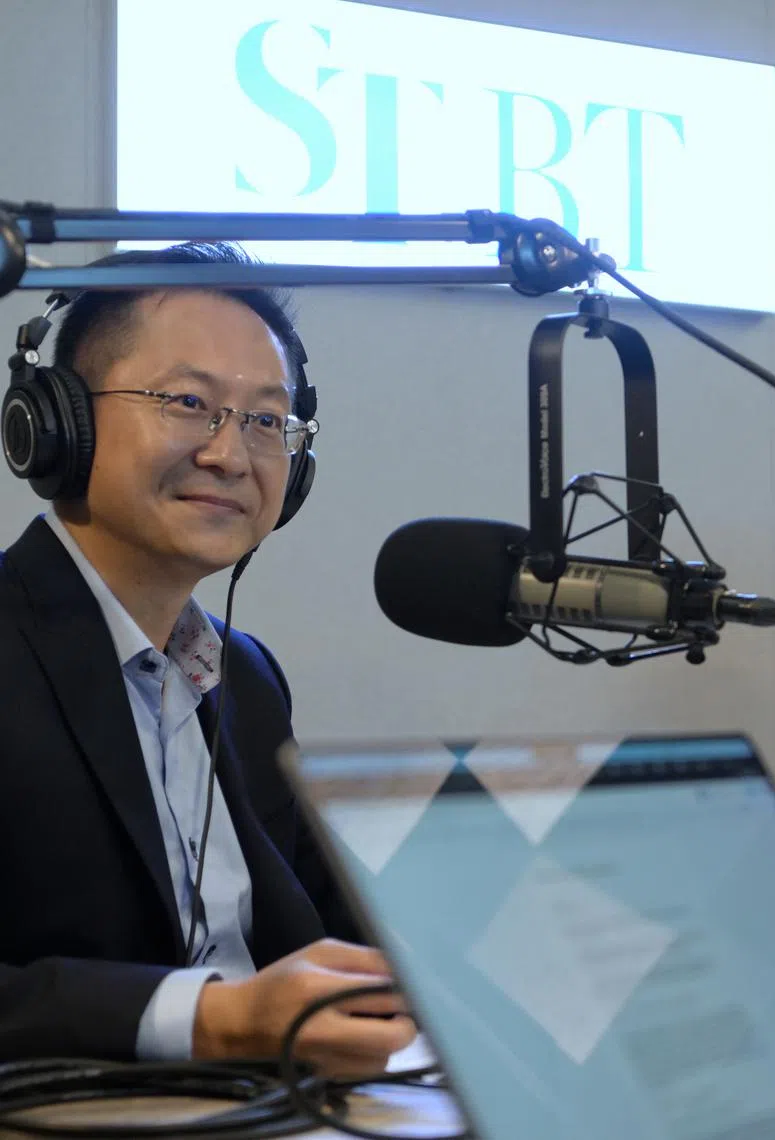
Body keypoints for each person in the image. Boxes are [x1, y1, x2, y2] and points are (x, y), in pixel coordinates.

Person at [0, 242, 416, 1071]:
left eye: (266, 420)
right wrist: (214, 1021)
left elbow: (344, 943)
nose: (231, 454)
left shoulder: (246, 678)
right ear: (56, 423)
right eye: (188, 402)